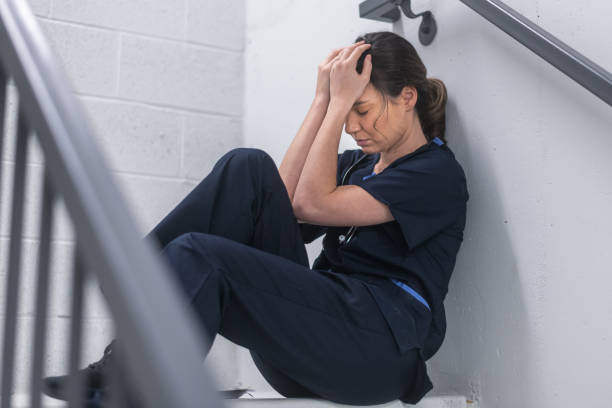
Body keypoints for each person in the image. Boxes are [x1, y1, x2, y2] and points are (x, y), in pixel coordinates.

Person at [42, 31, 469, 406]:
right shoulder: (356, 165)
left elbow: (312, 206)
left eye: (363, 109)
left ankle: (139, 375)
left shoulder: (434, 173)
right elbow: (279, 202)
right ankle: (138, 294)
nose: (352, 126)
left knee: (200, 256)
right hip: (309, 341)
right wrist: (322, 99)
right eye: (349, 112)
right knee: (246, 166)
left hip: (376, 352)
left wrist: (337, 102)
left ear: (407, 97)